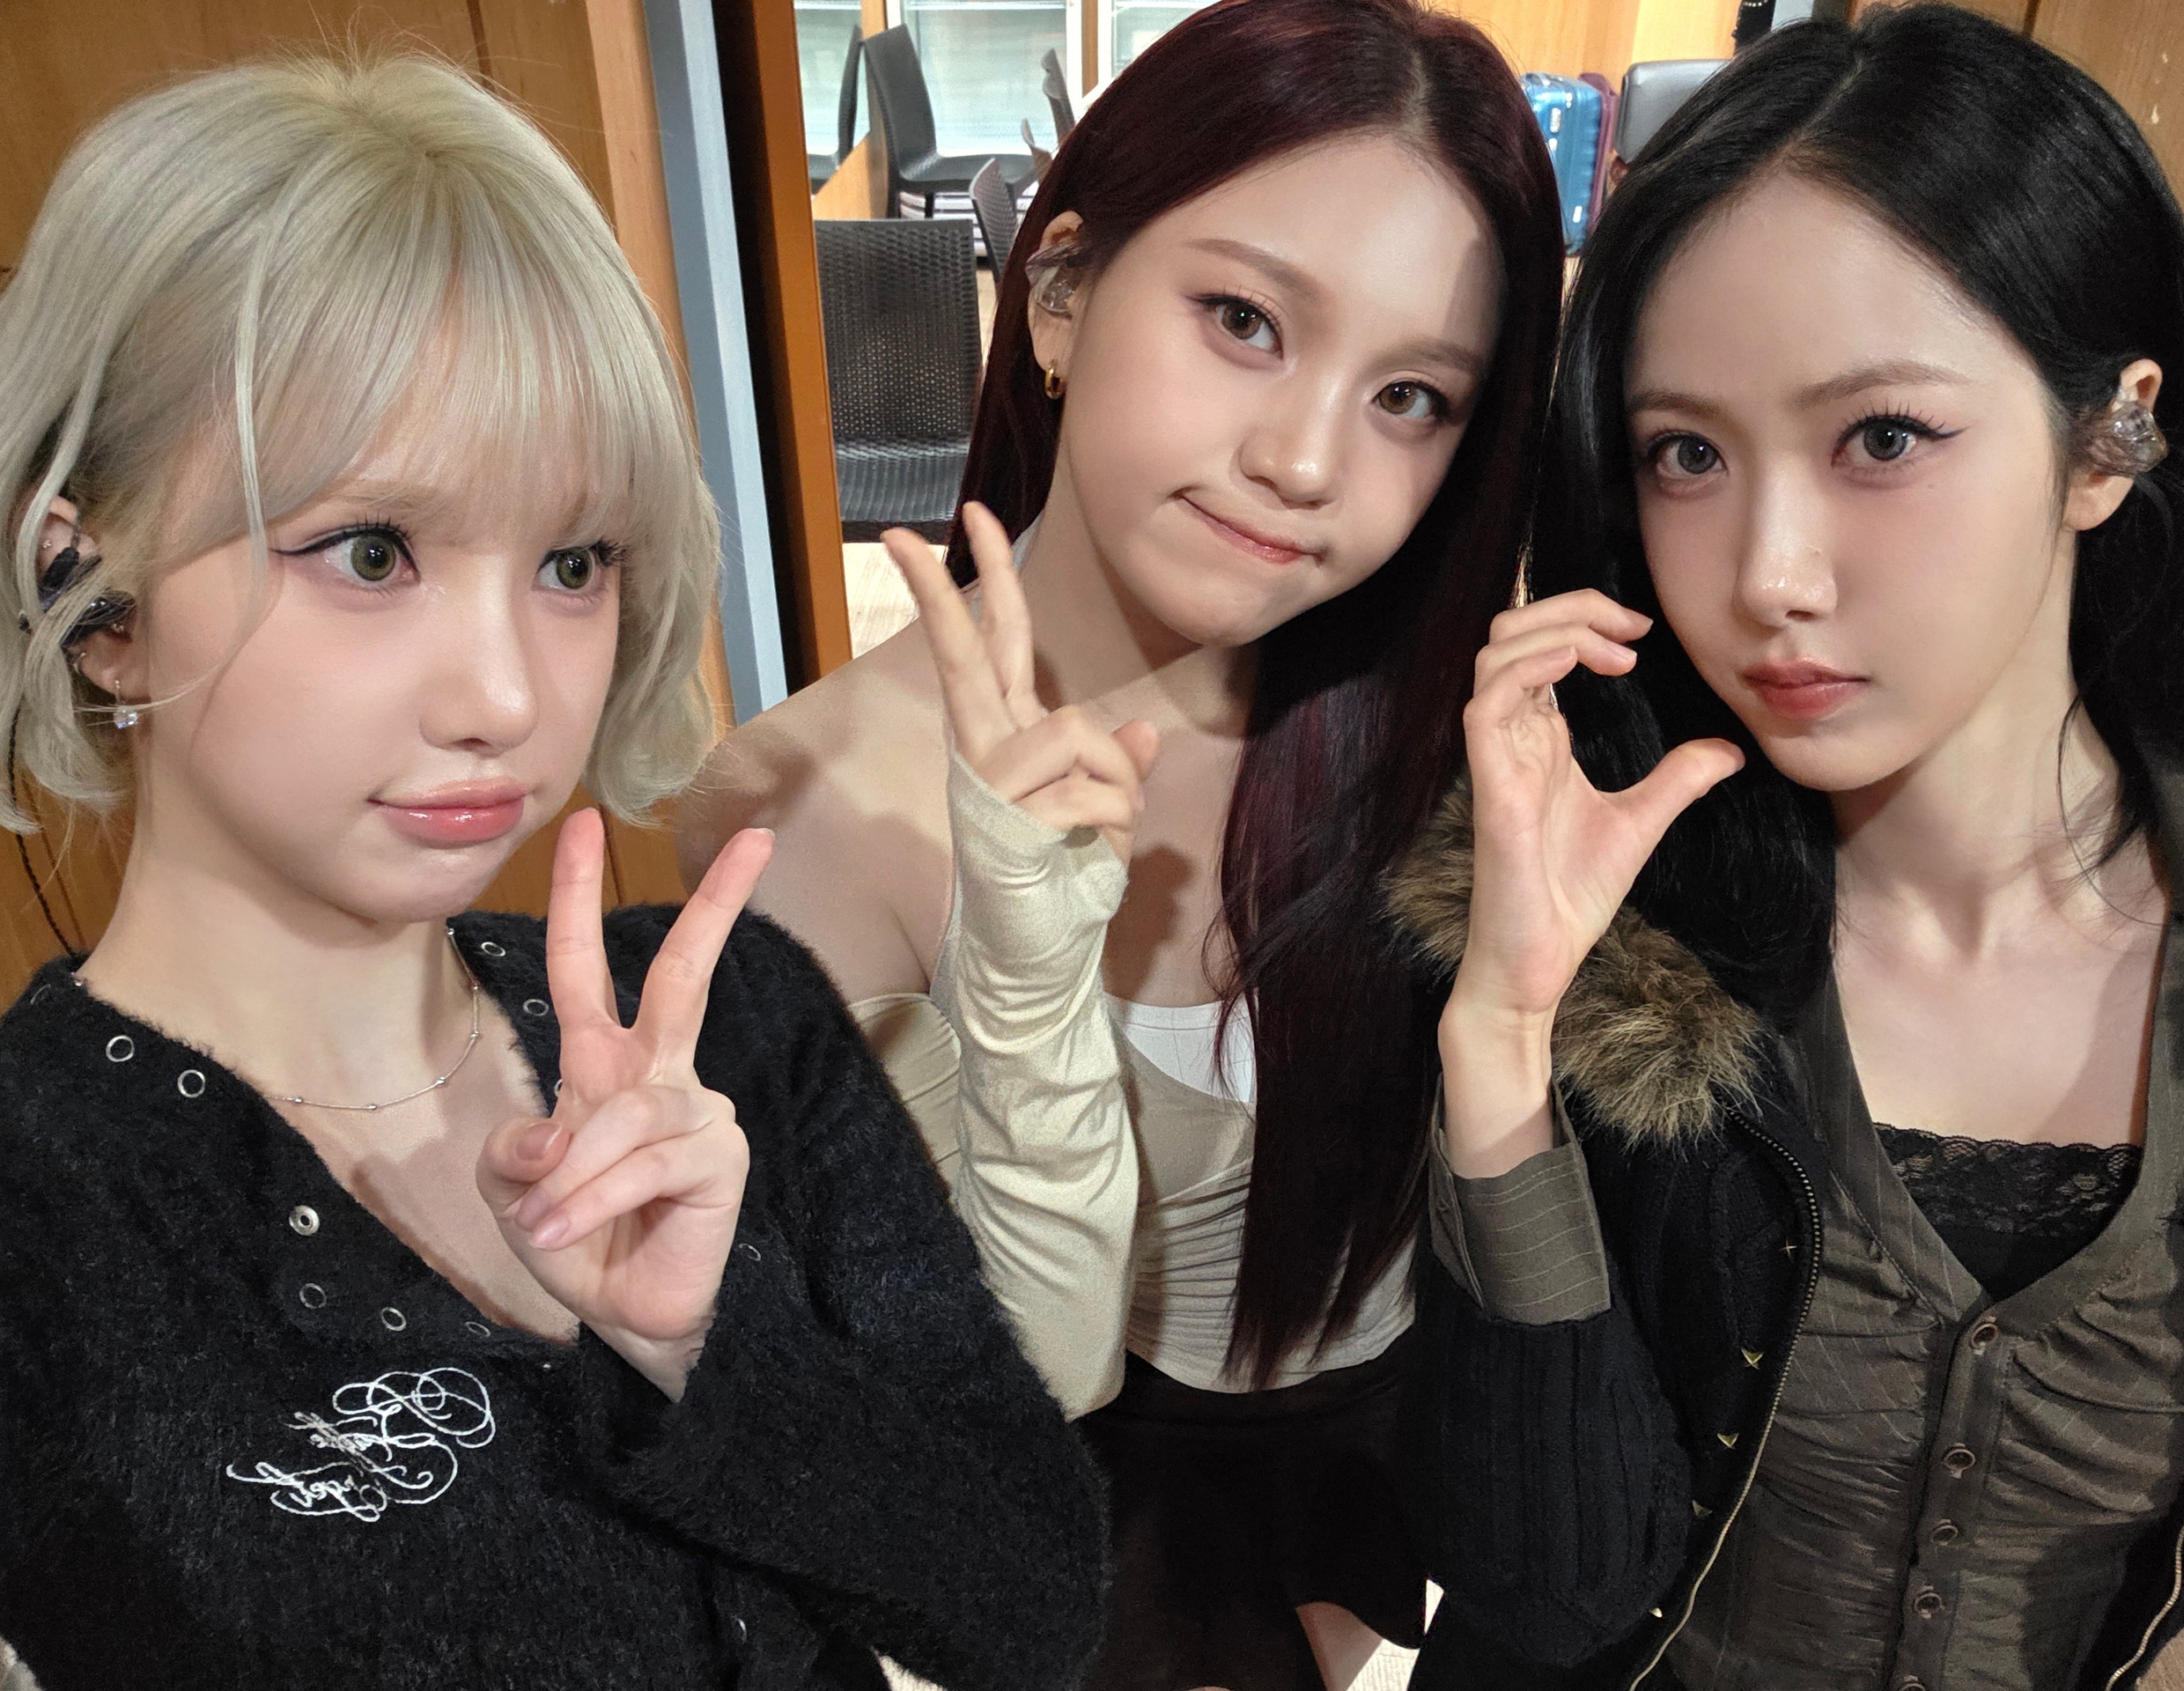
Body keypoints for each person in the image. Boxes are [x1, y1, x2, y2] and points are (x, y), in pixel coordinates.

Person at [0, 55, 1105, 1691]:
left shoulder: (728, 1022)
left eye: (572, 562)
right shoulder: (39, 1209)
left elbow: (1034, 1608)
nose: (511, 698)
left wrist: (712, 1349)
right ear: (90, 595)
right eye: (371, 552)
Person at [676, 1, 1561, 1683]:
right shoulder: (811, 810)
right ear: (1062, 293)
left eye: (1410, 396)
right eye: (1244, 320)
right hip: (1089, 1541)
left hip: (1398, 1480)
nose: (1304, 461)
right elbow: (937, 1389)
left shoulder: (1449, 729)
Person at [1390, 6, 2184, 1688]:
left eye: (1882, 438)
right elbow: (1546, 1600)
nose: (1769, 575)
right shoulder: (1609, 925)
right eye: (1688, 455)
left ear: (2111, 435)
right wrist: (1502, 1040)